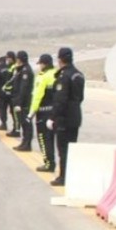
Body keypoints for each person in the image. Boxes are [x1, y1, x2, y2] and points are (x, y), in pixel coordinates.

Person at [47, 47, 85, 186]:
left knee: (63, 150)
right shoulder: (78, 74)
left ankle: (63, 177)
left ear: (60, 59)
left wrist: (52, 117)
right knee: (71, 148)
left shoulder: (64, 76)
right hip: (75, 116)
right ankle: (69, 175)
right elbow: (80, 97)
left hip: (64, 118)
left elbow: (60, 100)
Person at [28, 54, 57, 172]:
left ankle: (48, 163)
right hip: (55, 112)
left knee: (43, 139)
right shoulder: (57, 74)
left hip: (43, 112)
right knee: (52, 139)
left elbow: (37, 96)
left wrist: (31, 113)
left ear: (44, 64)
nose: (39, 66)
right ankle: (52, 162)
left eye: (40, 64)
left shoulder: (43, 77)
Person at [11, 50, 34, 152]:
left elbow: (23, 89)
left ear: (19, 59)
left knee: (26, 123)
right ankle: (24, 142)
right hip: (21, 101)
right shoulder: (21, 70)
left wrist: (19, 103)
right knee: (23, 123)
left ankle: (27, 144)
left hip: (24, 102)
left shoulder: (25, 71)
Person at [1, 51, 20, 137]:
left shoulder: (14, 67)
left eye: (8, 58)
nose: (7, 59)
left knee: (14, 113)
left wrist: (6, 86)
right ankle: (15, 128)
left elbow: (13, 79)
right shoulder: (9, 67)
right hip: (8, 93)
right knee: (12, 112)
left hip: (13, 93)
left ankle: (16, 129)